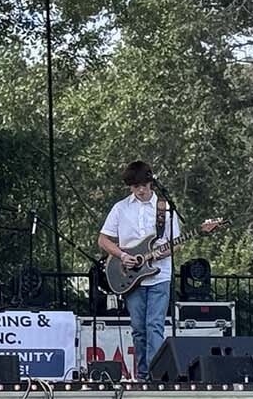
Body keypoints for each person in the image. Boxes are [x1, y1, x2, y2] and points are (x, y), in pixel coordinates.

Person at [97, 160, 179, 378]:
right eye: (135, 187)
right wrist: (123, 256)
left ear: (151, 182)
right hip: (131, 276)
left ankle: (155, 377)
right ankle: (142, 375)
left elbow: (176, 242)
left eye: (144, 185)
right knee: (139, 330)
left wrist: (162, 252)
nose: (140, 190)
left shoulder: (165, 208)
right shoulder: (121, 208)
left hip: (160, 274)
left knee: (155, 326)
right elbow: (103, 240)